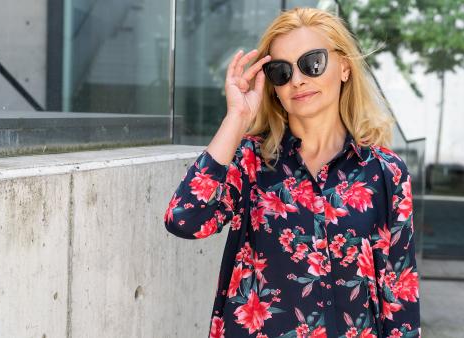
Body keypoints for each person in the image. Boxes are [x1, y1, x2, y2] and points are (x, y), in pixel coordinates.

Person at [164, 7, 420, 338]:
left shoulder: (385, 172)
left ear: (344, 66)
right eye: (281, 72)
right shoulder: (251, 162)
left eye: (312, 63)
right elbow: (184, 220)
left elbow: (399, 294)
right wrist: (236, 118)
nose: (297, 80)